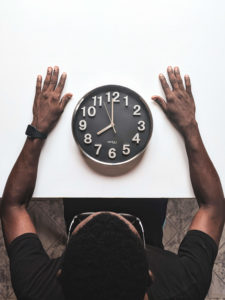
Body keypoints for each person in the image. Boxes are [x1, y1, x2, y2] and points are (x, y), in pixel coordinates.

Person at [0, 66, 224, 300]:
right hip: (149, 221)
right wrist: (190, 127)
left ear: (59, 274)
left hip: (81, 199)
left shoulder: (39, 288)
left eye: (88, 224)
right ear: (150, 276)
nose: (108, 210)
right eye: (123, 224)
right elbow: (213, 206)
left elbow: (12, 206)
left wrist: (37, 129)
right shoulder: (182, 285)